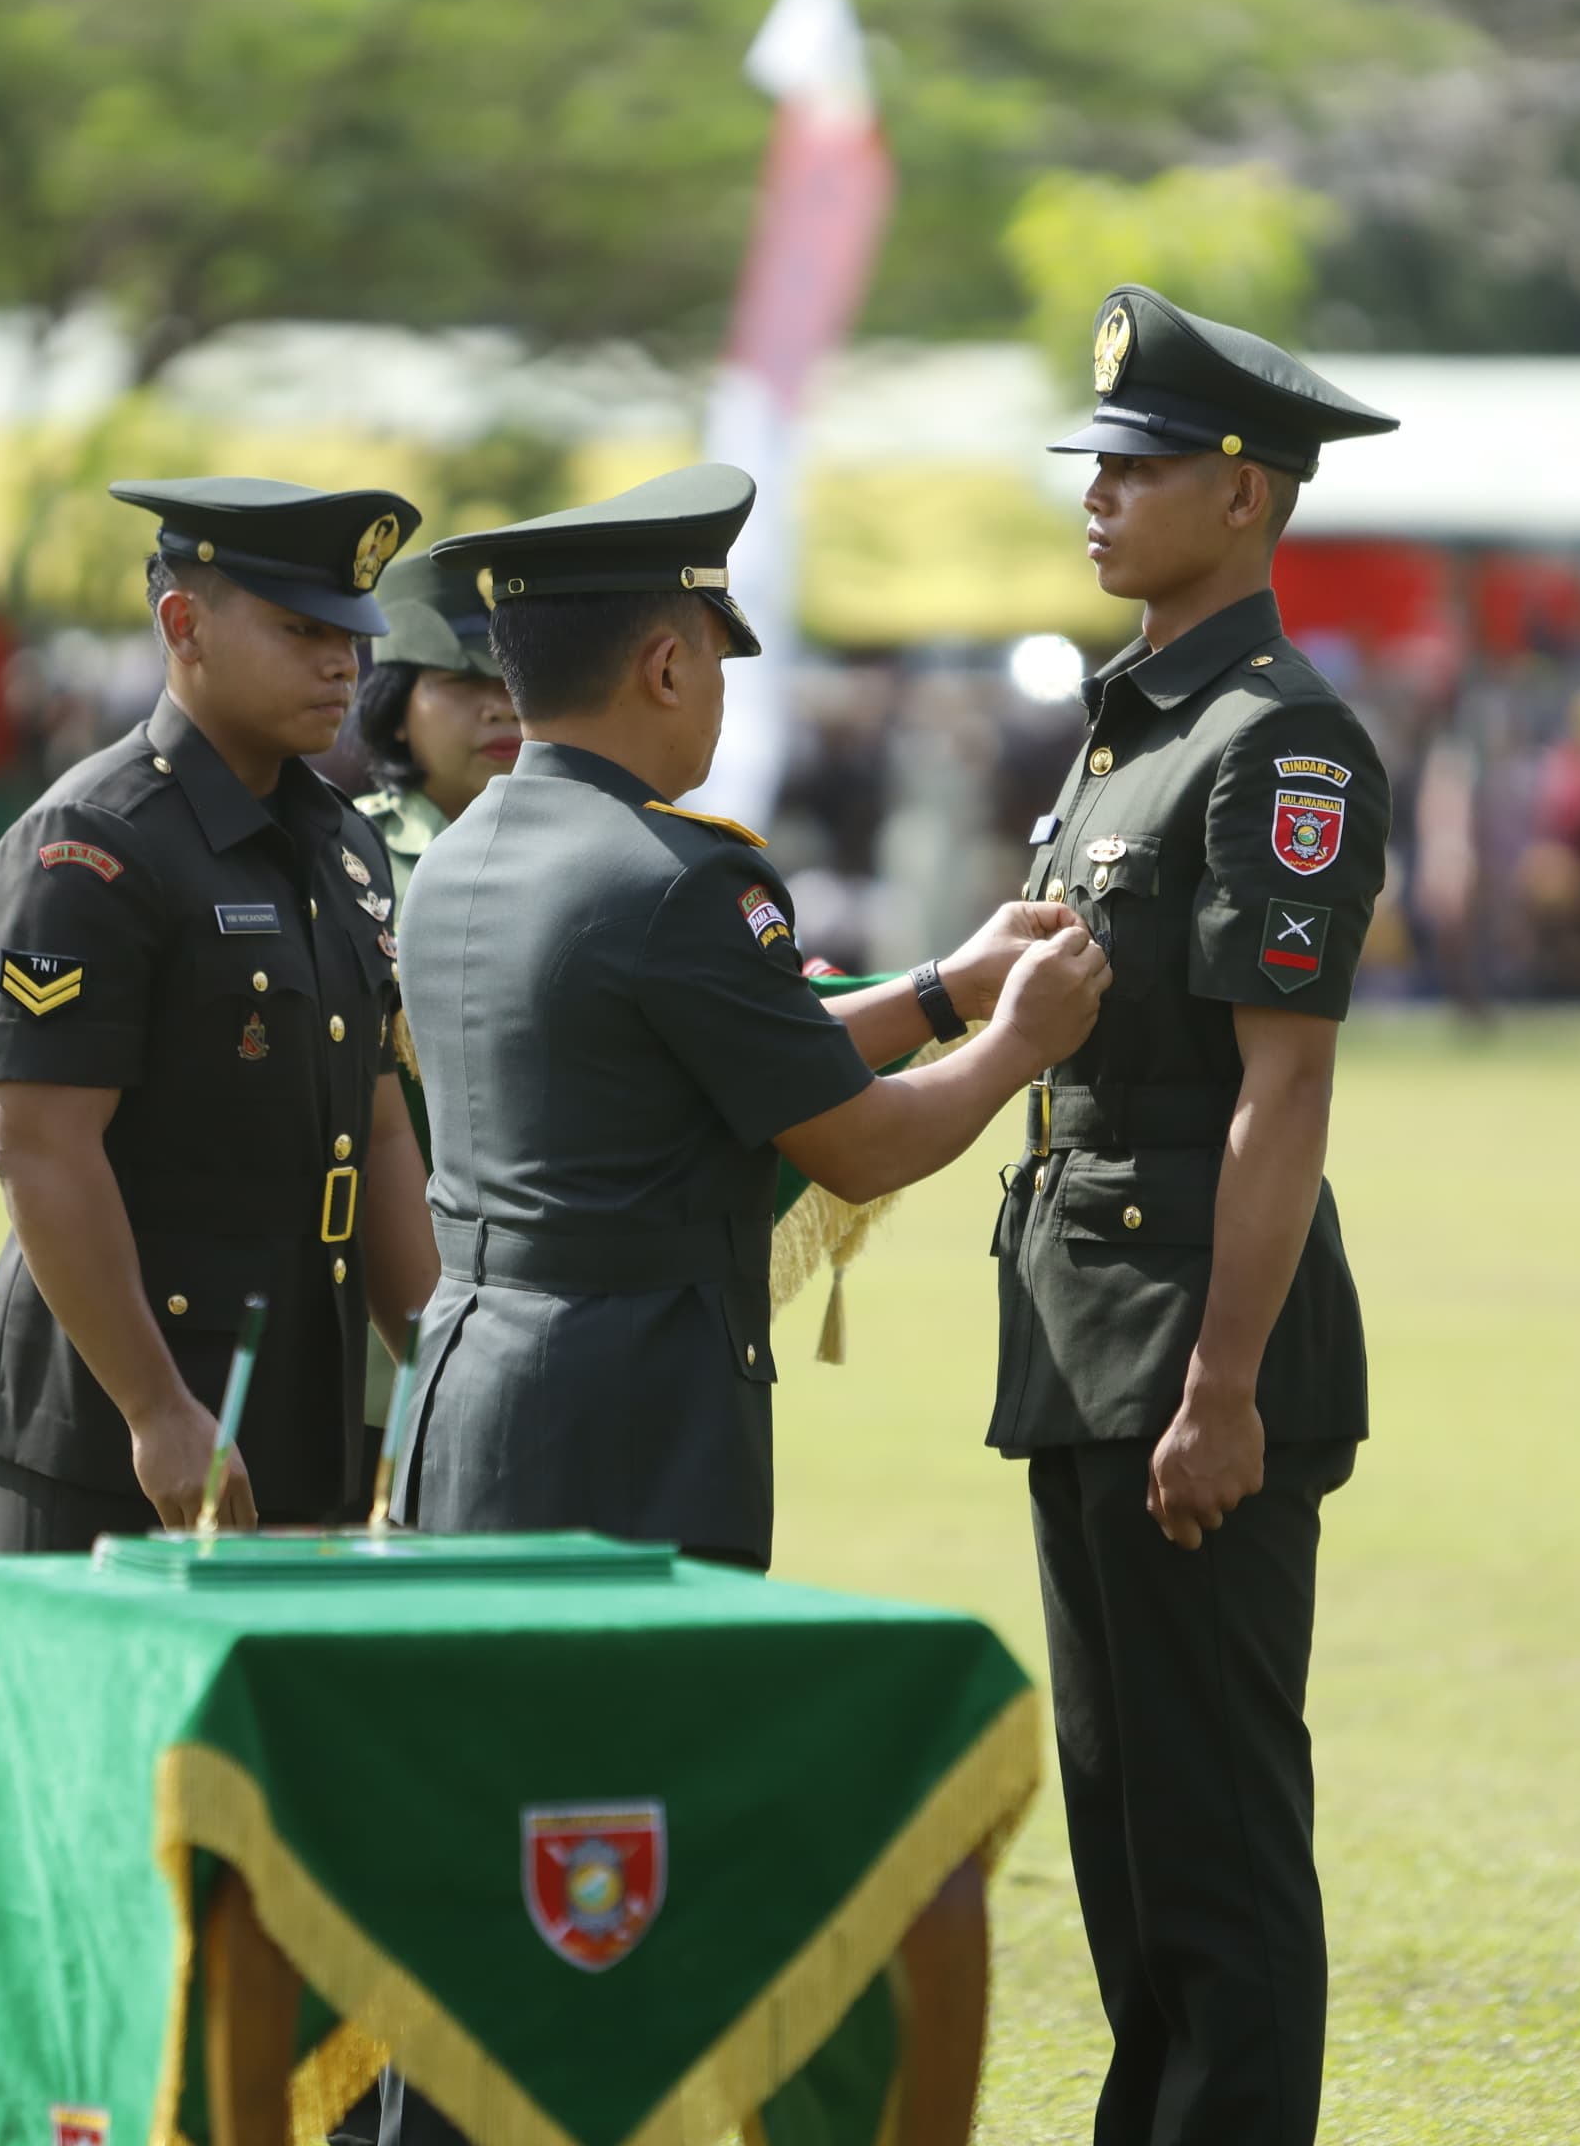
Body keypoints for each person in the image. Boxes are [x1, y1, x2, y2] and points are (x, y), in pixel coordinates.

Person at [386, 462, 1109, 1572]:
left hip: (461, 1395)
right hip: (631, 1424)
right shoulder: (679, 878)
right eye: (719, 660)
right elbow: (861, 1143)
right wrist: (1020, 1039)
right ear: (666, 665)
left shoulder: (451, 859)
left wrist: (944, 990)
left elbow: (708, 1059)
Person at [1000, 285, 1397, 2146]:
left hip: (1192, 1345)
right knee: (1122, 1815)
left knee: (1218, 1835)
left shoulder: (1279, 746)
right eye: (1095, 462)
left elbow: (1285, 1084)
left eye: (1137, 466)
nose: (1097, 495)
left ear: (1247, 494)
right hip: (1087, 1326)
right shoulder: (1129, 728)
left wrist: (1224, 1380)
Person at [0, 476, 438, 1554]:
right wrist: (154, 1408)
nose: (342, 665)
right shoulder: (92, 845)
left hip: (297, 1415)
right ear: (184, 625)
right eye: (302, 631)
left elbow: (383, 1120)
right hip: (115, 1427)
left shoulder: (344, 848)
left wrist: (440, 1364)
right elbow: (41, 1149)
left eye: (352, 634)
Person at [350, 546, 514, 1162]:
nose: (501, 706)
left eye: (516, 681)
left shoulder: (595, 851)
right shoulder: (343, 850)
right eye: (463, 682)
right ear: (395, 712)